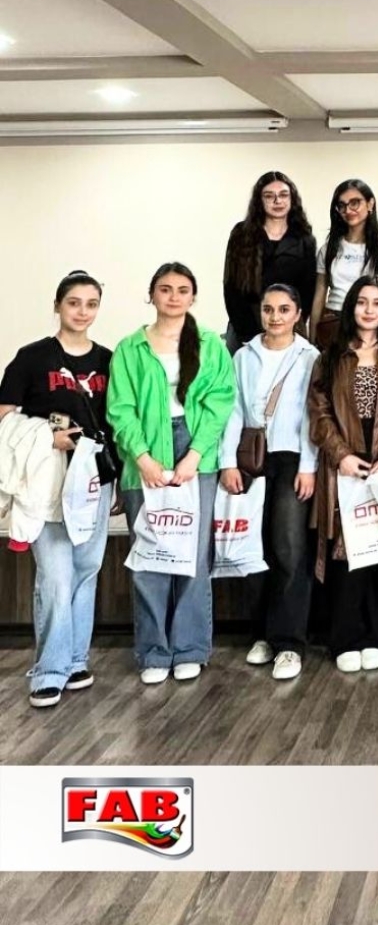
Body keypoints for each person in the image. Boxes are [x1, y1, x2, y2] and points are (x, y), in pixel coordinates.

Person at [107, 263, 236, 685]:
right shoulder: (130, 348)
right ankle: (153, 652)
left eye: (183, 289)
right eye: (165, 289)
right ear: (152, 295)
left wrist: (194, 455)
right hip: (144, 453)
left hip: (196, 454)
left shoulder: (210, 345)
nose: (174, 296)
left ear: (193, 297)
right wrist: (143, 458)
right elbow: (120, 409)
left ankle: (190, 648)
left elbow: (221, 403)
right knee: (149, 556)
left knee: (192, 557)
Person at [0, 270, 114, 708]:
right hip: (47, 480)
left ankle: (75, 661)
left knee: (85, 570)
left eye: (91, 304)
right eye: (74, 302)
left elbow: (117, 422)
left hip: (94, 482)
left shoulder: (108, 360)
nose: (82, 311)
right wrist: (48, 437)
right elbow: (5, 417)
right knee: (55, 576)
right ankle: (49, 670)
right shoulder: (32, 358)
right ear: (58, 305)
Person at [308, 275, 378, 673]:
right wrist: (342, 456)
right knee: (347, 551)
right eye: (362, 302)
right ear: (351, 307)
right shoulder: (330, 357)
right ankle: (345, 637)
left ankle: (376, 635)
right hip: (345, 466)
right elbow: (319, 412)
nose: (370, 310)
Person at [219, 284, 320, 682]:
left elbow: (312, 416)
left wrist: (309, 465)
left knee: (289, 548)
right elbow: (232, 410)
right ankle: (261, 634)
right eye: (268, 309)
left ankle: (290, 642)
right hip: (249, 459)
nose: (275, 317)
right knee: (254, 547)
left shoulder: (309, 357)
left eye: (284, 309)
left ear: (298, 314)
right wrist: (228, 462)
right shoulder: (243, 356)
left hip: (291, 458)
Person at [222, 171, 316, 352]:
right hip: (244, 326)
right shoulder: (241, 233)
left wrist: (290, 325)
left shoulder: (304, 239)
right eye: (269, 196)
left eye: (283, 195)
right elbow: (231, 287)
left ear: (292, 199)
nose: (277, 201)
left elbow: (307, 291)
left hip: (287, 327)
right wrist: (247, 334)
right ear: (260, 201)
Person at [311, 180, 378, 350]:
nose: (348, 210)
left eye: (355, 203)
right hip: (334, 322)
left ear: (370, 204)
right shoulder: (328, 249)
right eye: (342, 205)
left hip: (370, 324)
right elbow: (319, 298)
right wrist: (312, 341)